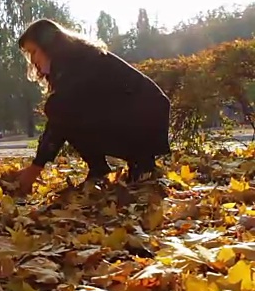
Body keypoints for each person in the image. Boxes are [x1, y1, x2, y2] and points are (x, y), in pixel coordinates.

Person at [13, 19, 171, 194]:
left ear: (49, 46)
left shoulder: (78, 62)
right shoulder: (72, 63)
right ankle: (104, 169)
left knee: (59, 108)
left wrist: (36, 167)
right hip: (140, 114)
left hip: (148, 116)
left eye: (34, 52)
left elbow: (60, 118)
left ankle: (140, 164)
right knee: (62, 110)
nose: (33, 60)